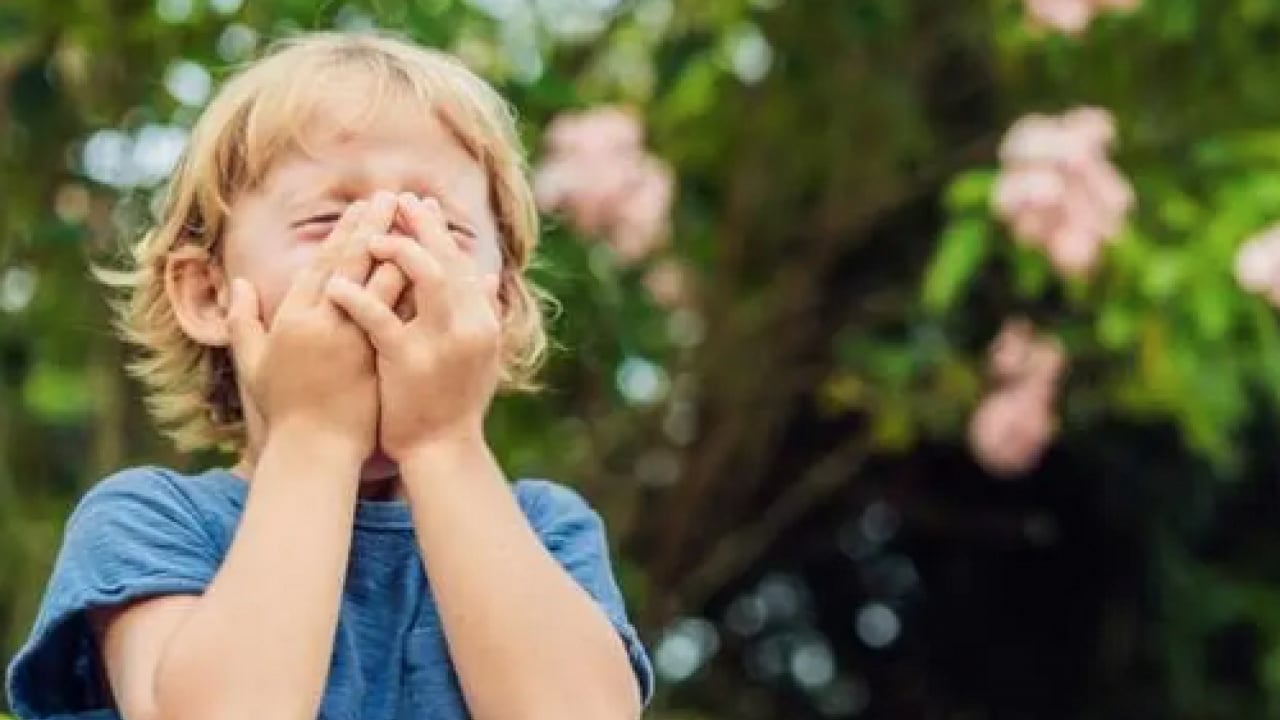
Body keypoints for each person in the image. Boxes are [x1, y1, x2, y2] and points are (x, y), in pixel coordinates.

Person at [5, 30, 653, 720]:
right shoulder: (149, 521)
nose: (387, 249)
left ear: (497, 307)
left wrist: (441, 440)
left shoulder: (547, 532)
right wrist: (314, 435)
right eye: (328, 220)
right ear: (208, 295)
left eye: (444, 230)